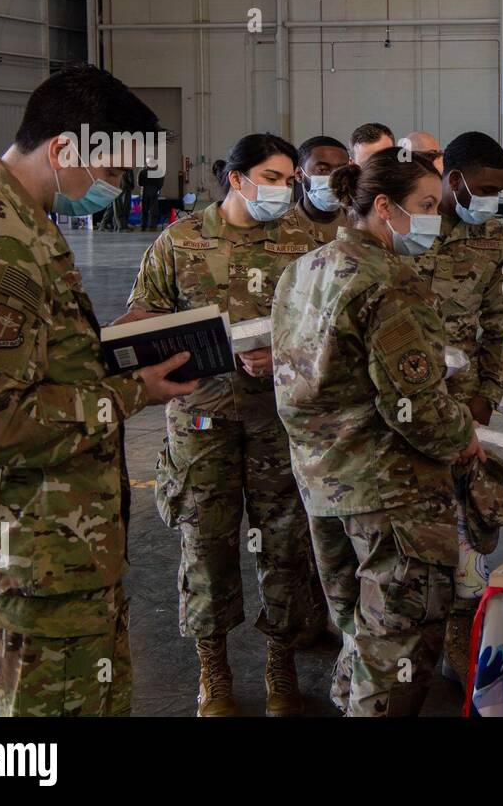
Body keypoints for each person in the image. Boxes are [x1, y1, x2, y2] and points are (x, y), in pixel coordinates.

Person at [0, 64, 197, 716]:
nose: (118, 188)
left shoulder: (21, 220)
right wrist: (133, 392)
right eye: (116, 172)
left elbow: (36, 367)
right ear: (65, 148)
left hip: (63, 546)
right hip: (34, 555)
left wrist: (109, 342)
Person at [273, 149, 484, 717]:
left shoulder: (304, 269)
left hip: (323, 485)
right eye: (425, 206)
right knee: (399, 645)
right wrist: (463, 433)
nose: (434, 220)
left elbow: (292, 380)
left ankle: (350, 704)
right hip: (391, 494)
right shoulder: (390, 281)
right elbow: (415, 407)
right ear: (384, 207)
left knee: (359, 630)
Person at [126, 133, 323, 717]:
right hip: (200, 419)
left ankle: (280, 665)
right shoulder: (181, 240)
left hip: (277, 421)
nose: (282, 189)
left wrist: (282, 355)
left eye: (288, 178)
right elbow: (143, 315)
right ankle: (213, 671)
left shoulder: (305, 241)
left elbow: (331, 328)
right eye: (270, 177)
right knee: (205, 544)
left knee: (284, 544)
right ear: (236, 180)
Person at [410, 131, 503, 681]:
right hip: (400, 406)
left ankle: (459, 635)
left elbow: (502, 323)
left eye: (501, 190)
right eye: (486, 188)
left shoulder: (495, 236)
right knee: (409, 525)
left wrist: (488, 394)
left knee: (473, 517)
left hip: (464, 405)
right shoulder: (408, 224)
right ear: (453, 179)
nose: (494, 200)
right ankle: (407, 641)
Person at [294, 135, 350, 242]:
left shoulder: (360, 226)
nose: (335, 179)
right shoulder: (277, 228)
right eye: (323, 170)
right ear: (299, 174)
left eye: (342, 170)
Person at [139, 163, 165, 231]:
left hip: (145, 192)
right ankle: (152, 226)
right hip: (154, 192)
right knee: (153, 210)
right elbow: (160, 184)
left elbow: (140, 183)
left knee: (144, 210)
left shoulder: (142, 172)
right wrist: (157, 188)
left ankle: (143, 226)